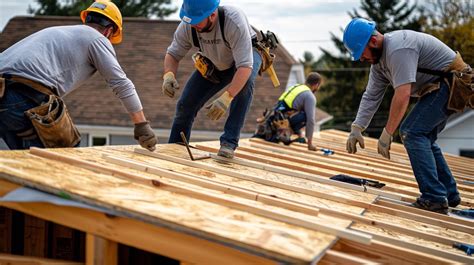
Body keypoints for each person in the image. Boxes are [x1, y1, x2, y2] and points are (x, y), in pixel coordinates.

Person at [342, 18, 472, 214]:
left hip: (453, 82)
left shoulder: (398, 49)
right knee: (424, 136)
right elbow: (371, 96)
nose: (361, 58)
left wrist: (388, 133)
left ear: (373, 41)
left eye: (362, 53)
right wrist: (357, 127)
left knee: (412, 132)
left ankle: (434, 198)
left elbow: (402, 94)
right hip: (439, 86)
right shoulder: (378, 64)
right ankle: (448, 194)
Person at [0, 1, 157, 151]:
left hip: (5, 91)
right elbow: (121, 84)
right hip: (22, 94)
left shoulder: (57, 32)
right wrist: (141, 125)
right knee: (65, 153)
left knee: (24, 159)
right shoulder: (97, 38)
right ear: (109, 30)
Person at [162, 0, 262, 158]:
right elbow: (173, 54)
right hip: (216, 61)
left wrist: (227, 97)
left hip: (244, 58)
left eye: (196, 21)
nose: (193, 25)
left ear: (212, 15)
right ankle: (176, 146)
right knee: (185, 104)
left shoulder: (233, 21)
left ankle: (229, 143)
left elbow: (244, 67)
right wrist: (169, 75)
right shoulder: (188, 24)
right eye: (191, 21)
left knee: (245, 84)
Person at [253, 72, 322, 151]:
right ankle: (284, 135)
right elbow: (311, 120)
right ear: (316, 85)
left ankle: (287, 134)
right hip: (280, 124)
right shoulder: (309, 96)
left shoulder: (296, 87)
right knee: (306, 116)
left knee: (298, 112)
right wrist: (310, 144)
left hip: (273, 120)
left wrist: (299, 135)